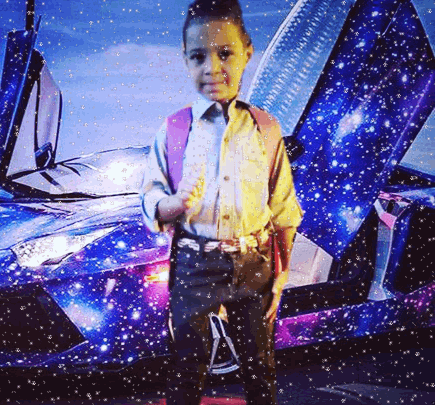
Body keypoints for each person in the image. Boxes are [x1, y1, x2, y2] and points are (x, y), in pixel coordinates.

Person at [140, 0, 303, 404]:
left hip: (254, 264)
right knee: (186, 369)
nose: (212, 68)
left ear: (247, 52)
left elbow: (284, 209)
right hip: (194, 265)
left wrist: (280, 276)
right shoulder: (173, 129)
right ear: (186, 59)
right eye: (199, 56)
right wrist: (173, 204)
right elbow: (150, 196)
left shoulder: (266, 129)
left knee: (260, 367)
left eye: (225, 53)